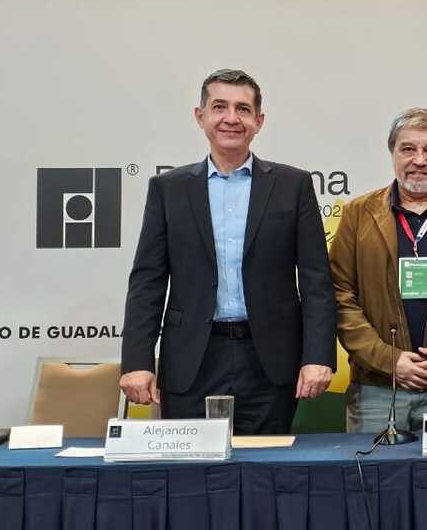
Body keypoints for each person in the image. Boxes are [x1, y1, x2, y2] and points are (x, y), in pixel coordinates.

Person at [120, 69, 336, 434]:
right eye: (219, 107)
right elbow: (148, 282)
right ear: (200, 116)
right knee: (190, 480)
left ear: (259, 121)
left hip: (269, 364)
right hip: (191, 361)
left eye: (243, 109)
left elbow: (316, 281)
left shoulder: (293, 186)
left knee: (266, 479)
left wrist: (317, 357)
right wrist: (137, 361)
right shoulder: (168, 189)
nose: (231, 119)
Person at [329, 108, 427, 434]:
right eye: (408, 149)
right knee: (373, 484)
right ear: (393, 153)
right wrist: (389, 359)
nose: (419, 159)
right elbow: (340, 296)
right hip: (377, 390)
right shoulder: (358, 214)